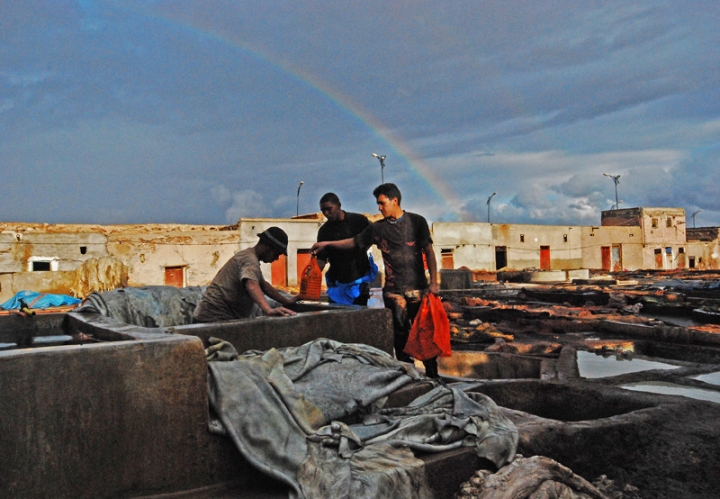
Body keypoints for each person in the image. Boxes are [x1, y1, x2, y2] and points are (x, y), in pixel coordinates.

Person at [311, 183, 440, 378]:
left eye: (382, 203)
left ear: (394, 201)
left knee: (424, 332)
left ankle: (433, 375)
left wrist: (434, 282)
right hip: (393, 291)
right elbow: (354, 242)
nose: (379, 208)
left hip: (418, 289)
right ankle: (408, 375)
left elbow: (428, 251)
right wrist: (327, 244)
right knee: (400, 335)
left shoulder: (417, 222)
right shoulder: (377, 229)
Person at [193, 227, 298, 323]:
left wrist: (288, 301)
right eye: (277, 254)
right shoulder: (250, 260)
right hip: (213, 317)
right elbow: (251, 283)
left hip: (216, 316)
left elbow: (264, 286)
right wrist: (268, 310)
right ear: (267, 247)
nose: (276, 259)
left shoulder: (248, 256)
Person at [315, 192, 377, 306]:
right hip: (337, 283)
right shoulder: (324, 231)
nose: (326, 213)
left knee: (359, 318)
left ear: (339, 205)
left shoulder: (358, 221)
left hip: (358, 282)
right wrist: (311, 274)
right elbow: (322, 259)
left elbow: (372, 237)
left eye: (329, 209)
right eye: (323, 210)